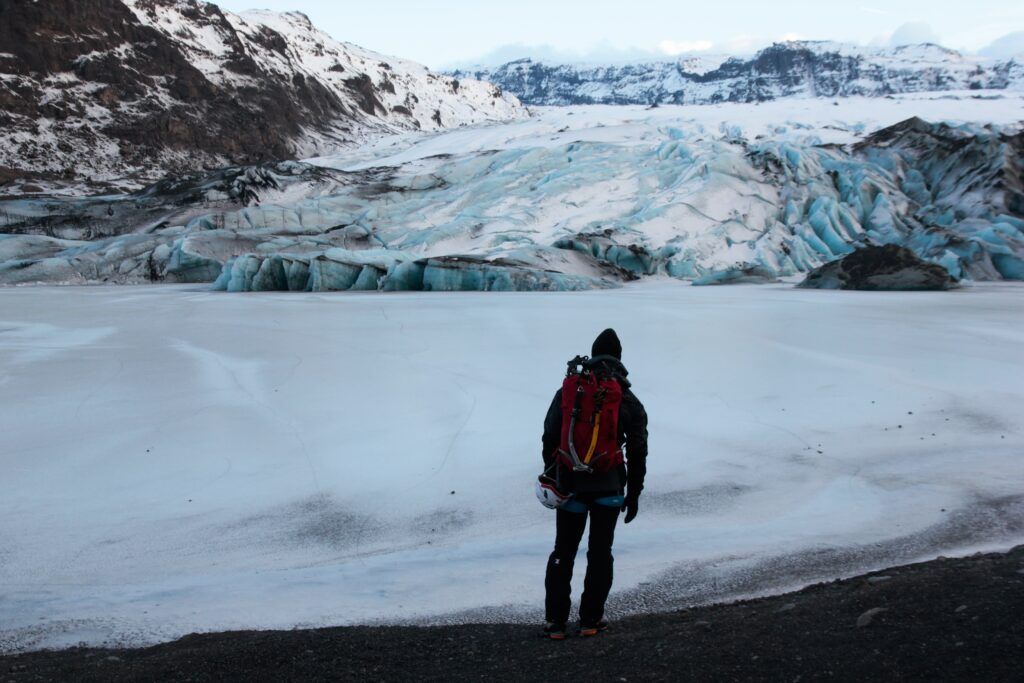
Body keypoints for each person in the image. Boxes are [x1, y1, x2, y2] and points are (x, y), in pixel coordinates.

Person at [541, 328, 648, 639]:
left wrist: (554, 475)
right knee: (601, 552)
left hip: (571, 485)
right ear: (619, 358)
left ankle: (555, 622)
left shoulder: (570, 391)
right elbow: (638, 448)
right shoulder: (625, 397)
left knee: (564, 549)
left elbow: (550, 436)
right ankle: (590, 620)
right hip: (609, 488)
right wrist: (635, 492)